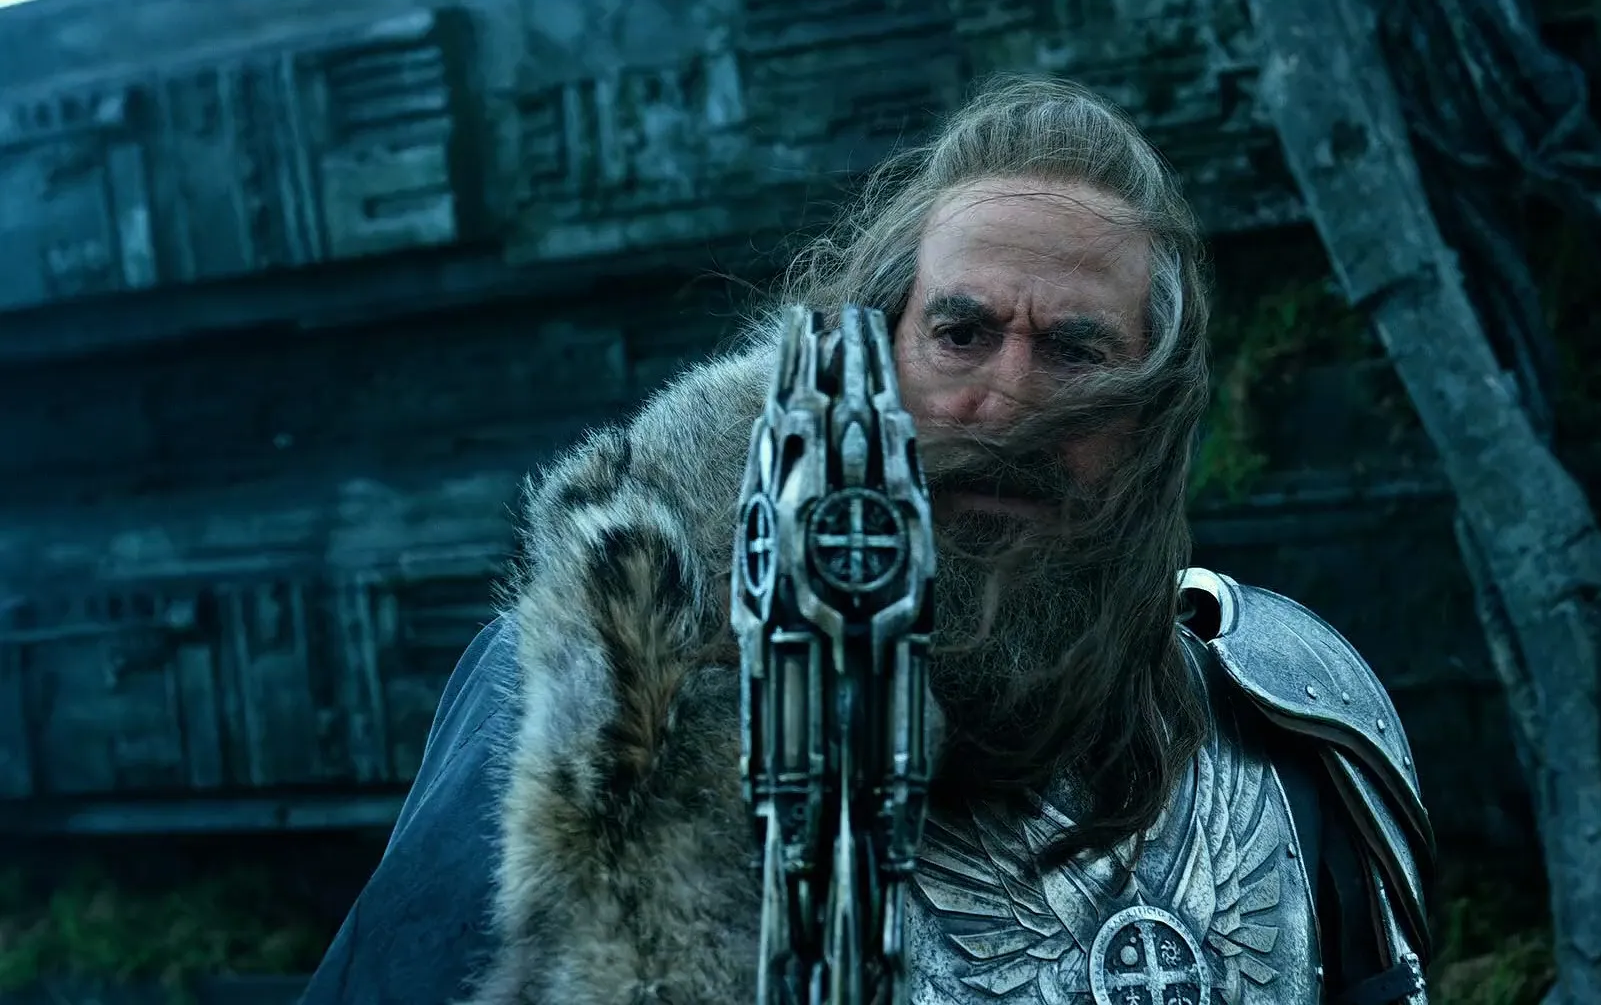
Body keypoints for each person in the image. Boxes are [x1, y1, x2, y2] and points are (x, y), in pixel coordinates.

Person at [301, 74, 1435, 1005]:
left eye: (1075, 351)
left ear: (1153, 414)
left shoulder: (1288, 722)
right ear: (873, 355)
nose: (1005, 406)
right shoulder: (600, 690)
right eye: (962, 333)